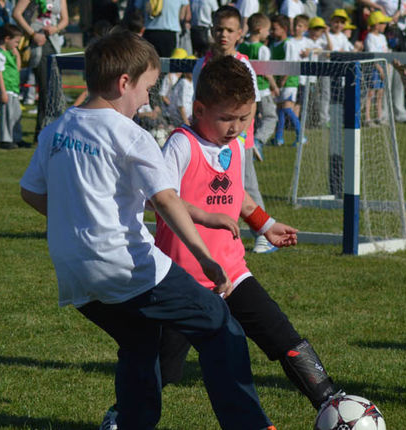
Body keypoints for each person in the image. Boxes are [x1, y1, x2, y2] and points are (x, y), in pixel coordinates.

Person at [18, 30, 275, 430]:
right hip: (125, 266)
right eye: (147, 88)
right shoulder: (131, 135)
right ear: (125, 82)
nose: (148, 100)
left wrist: (76, 218)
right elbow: (166, 200)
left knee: (139, 341)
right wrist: (206, 259)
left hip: (73, 273)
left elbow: (31, 192)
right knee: (218, 323)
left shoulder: (58, 129)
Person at [155, 55, 343, 413]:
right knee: (162, 368)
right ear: (199, 109)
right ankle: (122, 414)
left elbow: (235, 193)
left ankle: (332, 402)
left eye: (244, 118)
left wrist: (265, 224)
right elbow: (161, 198)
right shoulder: (182, 144)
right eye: (227, 118)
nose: (236, 127)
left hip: (232, 271)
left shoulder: (235, 145)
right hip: (182, 278)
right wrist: (205, 216)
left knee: (284, 337)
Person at [194, 5, 277, 254]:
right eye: (220, 29)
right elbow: (197, 103)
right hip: (208, 140)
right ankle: (214, 235)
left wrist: (239, 134)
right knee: (212, 188)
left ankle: (264, 234)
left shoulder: (243, 64)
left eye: (230, 30)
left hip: (238, 141)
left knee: (246, 187)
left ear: (240, 33)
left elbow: (251, 105)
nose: (224, 35)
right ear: (212, 30)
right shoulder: (201, 65)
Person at [12, 0, 69, 143]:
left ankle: (52, 132)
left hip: (54, 44)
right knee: (46, 90)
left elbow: (65, 19)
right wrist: (32, 34)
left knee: (55, 92)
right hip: (38, 46)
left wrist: (56, 28)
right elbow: (16, 13)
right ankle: (42, 133)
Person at [238, 12, 280, 155]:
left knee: (252, 118)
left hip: (246, 90)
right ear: (260, 29)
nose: (268, 34)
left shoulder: (240, 47)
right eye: (268, 30)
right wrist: (274, 86)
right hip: (262, 90)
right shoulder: (262, 49)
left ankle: (249, 142)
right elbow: (266, 72)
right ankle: (258, 140)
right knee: (270, 117)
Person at [270, 14, 304, 146]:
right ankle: (279, 138)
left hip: (289, 81)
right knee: (280, 110)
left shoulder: (288, 44)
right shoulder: (273, 45)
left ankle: (301, 136)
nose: (272, 31)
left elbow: (290, 63)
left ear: (284, 29)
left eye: (275, 29)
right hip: (279, 82)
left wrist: (283, 80)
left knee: (287, 108)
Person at [0, 24, 24, 149]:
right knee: (7, 116)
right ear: (7, 39)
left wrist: (17, 55)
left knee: (16, 115)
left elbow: (18, 68)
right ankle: (5, 139)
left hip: (14, 90)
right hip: (6, 90)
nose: (17, 45)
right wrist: (3, 92)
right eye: (16, 42)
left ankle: (16, 138)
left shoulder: (10, 53)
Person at [364, 10, 391, 125]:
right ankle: (367, 118)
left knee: (380, 94)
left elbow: (386, 53)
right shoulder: (370, 37)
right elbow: (372, 56)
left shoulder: (382, 37)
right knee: (371, 93)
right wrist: (380, 70)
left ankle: (379, 117)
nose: (385, 25)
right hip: (374, 68)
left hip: (383, 67)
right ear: (376, 25)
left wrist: (386, 68)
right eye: (383, 23)